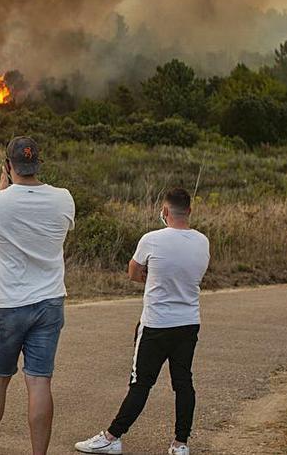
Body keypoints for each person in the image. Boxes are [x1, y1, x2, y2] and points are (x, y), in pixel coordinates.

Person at [74, 188, 210, 455]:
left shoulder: (152, 239)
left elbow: (133, 271)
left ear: (165, 211)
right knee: (183, 382)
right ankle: (181, 443)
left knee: (141, 383)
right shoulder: (202, 241)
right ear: (190, 211)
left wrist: (154, 277)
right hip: (188, 322)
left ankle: (112, 437)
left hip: (156, 324)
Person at [0, 136, 74, 455]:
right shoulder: (63, 198)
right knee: (40, 382)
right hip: (49, 302)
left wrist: (2, 190)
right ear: (37, 164)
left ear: (8, 165)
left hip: (6, 304)